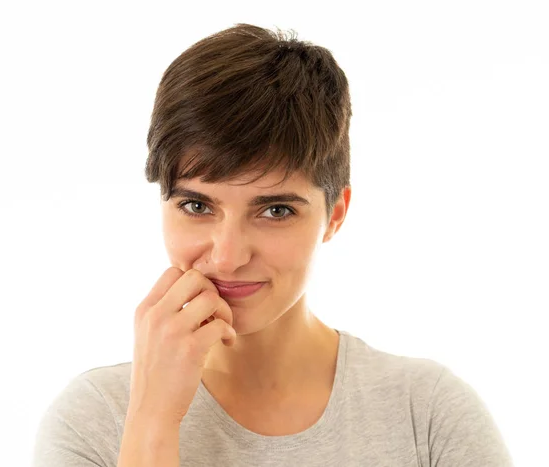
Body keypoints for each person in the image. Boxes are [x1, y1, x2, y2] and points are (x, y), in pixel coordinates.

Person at [31, 23, 513, 466]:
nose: (227, 256)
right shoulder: (94, 420)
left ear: (335, 215)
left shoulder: (426, 415)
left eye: (275, 211)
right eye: (197, 207)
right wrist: (153, 423)